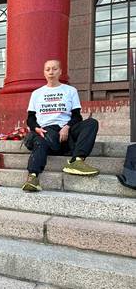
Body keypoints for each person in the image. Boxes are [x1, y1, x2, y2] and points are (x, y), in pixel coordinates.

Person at [22, 59, 99, 192]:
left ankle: (77, 161)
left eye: (54, 69)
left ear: (60, 71)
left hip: (66, 133)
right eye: (48, 69)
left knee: (91, 123)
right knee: (40, 140)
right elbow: (30, 118)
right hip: (45, 131)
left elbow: (77, 116)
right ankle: (33, 177)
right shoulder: (36, 93)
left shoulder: (70, 91)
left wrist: (67, 126)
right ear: (44, 73)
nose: (51, 72)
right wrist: (36, 128)